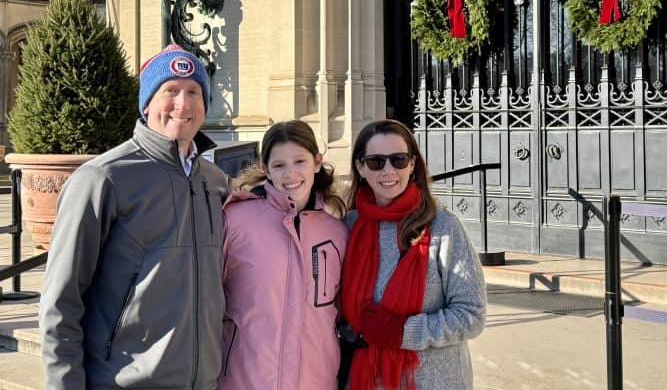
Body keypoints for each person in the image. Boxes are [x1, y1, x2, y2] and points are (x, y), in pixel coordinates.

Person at [39, 45, 230, 390]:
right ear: (146, 103)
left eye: (194, 92)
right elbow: (60, 303)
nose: (183, 104)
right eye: (170, 91)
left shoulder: (214, 183)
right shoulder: (103, 178)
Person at [339, 119, 487, 390]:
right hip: (365, 379)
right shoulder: (349, 226)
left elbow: (472, 315)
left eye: (398, 160)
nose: (388, 170)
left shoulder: (443, 226)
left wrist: (404, 332)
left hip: (434, 381)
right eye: (375, 162)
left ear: (412, 164)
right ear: (360, 167)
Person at [217, 120, 348, 390]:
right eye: (279, 165)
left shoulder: (336, 233)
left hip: (316, 381)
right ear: (266, 169)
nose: (290, 174)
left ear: (317, 161)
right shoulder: (235, 220)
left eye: (300, 161)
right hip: (246, 380)